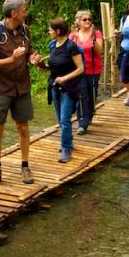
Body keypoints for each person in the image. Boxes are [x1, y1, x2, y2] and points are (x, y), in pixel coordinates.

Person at [0, 0, 42, 186]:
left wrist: (33, 59)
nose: (27, 13)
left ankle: (25, 166)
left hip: (21, 86)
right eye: (24, 10)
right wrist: (11, 59)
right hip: (1, 88)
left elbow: (30, 52)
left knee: (23, 127)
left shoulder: (26, 30)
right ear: (14, 13)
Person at [41, 18, 84, 163]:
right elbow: (52, 67)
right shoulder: (53, 45)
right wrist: (40, 64)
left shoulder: (71, 47)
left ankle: (66, 149)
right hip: (55, 86)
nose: (49, 32)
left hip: (68, 87)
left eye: (50, 29)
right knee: (60, 118)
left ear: (58, 31)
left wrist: (64, 78)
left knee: (65, 120)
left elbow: (80, 69)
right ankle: (69, 141)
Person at [69, 10, 103, 135]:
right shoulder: (73, 35)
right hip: (79, 70)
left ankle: (89, 114)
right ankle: (82, 123)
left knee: (91, 95)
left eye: (89, 19)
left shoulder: (97, 33)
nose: (87, 21)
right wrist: (73, 39)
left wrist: (94, 40)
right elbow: (68, 51)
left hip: (93, 69)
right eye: (84, 19)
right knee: (81, 95)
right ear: (78, 21)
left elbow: (99, 51)